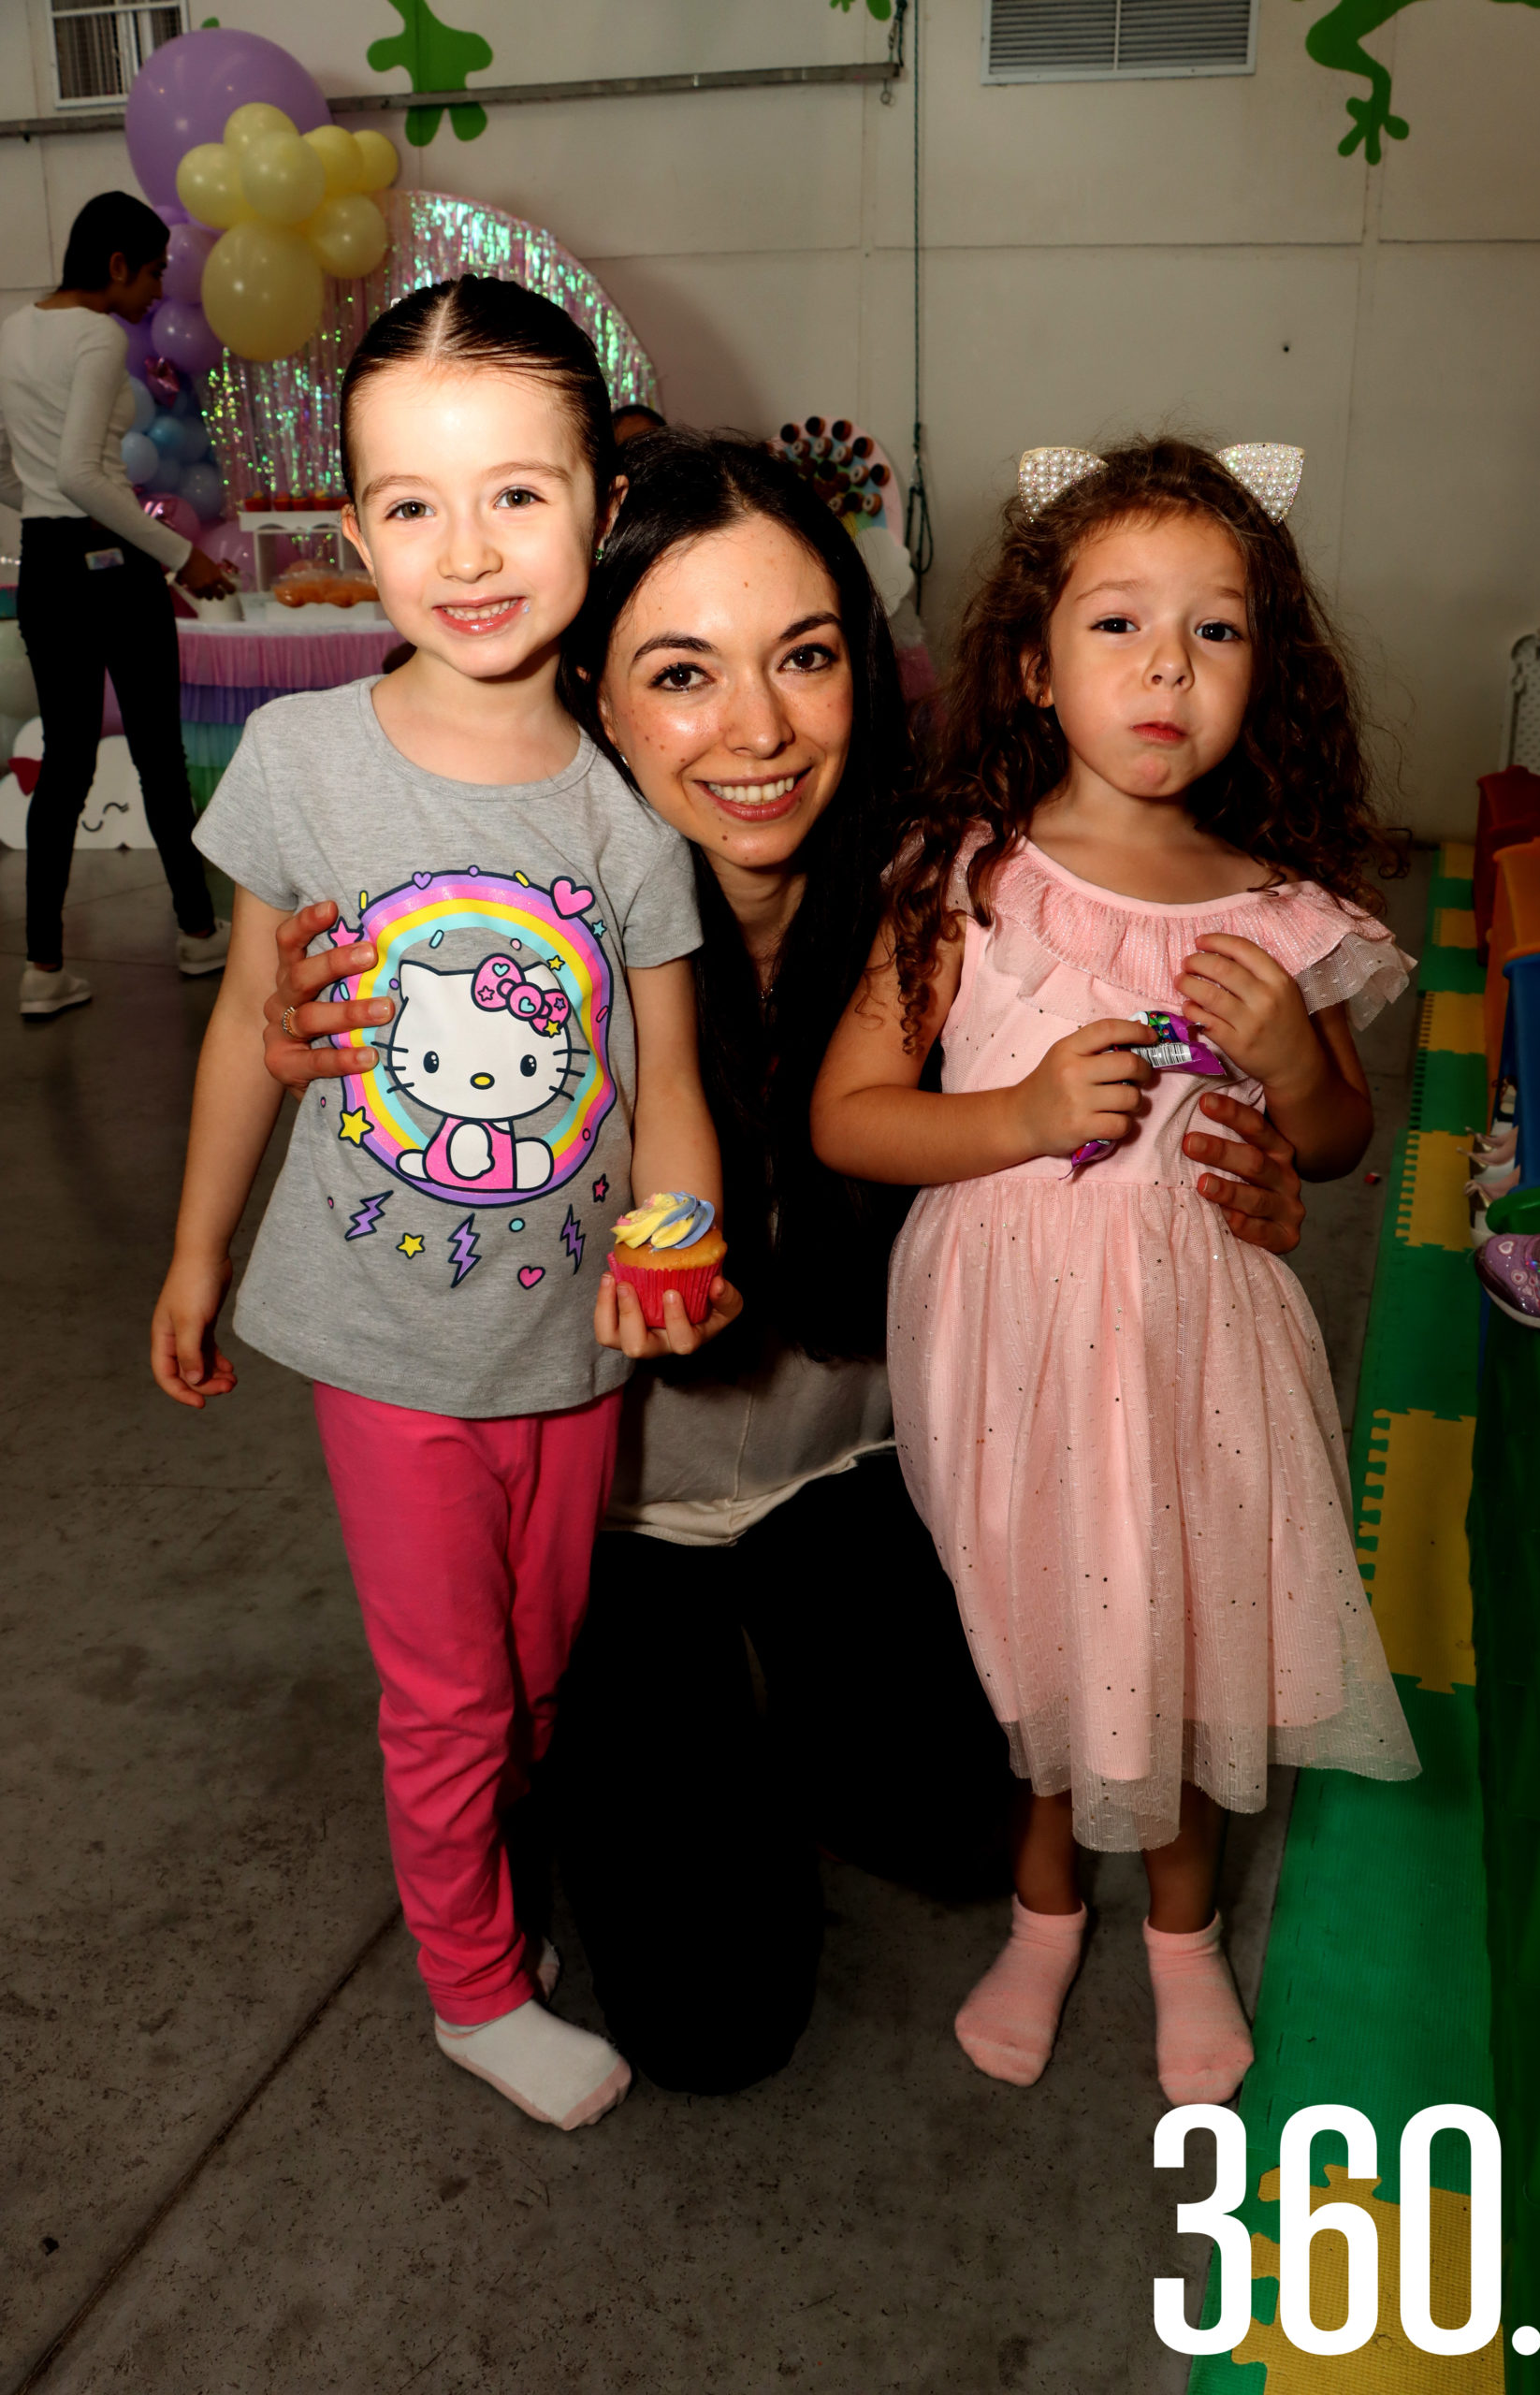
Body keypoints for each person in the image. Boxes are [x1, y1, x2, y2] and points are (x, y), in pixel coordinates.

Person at [258, 430, 1314, 2098]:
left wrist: (1246, 1168)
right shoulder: (502, 942)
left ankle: (791, 1696)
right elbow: (364, 1093)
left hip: (870, 1470)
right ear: (589, 687)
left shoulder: (958, 891)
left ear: (861, 673)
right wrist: (308, 1028)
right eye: (682, 673)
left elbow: (1178, 1021)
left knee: (984, 1827)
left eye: (803, 658)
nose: (755, 733)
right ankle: (561, 1760)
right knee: (709, 2025)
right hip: (613, 1519)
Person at [149, 277, 739, 2136]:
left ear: (599, 503)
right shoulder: (307, 767)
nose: (462, 550)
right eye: (408, 502)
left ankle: (494, 1850)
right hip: (381, 1336)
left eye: (515, 494)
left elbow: (665, 1093)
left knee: (536, 1664)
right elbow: (256, 1020)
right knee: (450, 1691)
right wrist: (194, 1249)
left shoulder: (635, 807)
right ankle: (470, 1983)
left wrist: (673, 1255)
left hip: (574, 1347)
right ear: (351, 526)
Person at [812, 435, 1421, 2109]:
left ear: (1263, 669)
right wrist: (1009, 1111)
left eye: (1215, 631)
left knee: (1191, 1639)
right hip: (1004, 1350)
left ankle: (1181, 1936)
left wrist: (1293, 1062)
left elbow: (1336, 1146)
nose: (1166, 666)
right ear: (1031, 659)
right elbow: (853, 1119)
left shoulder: (1281, 911)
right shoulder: (970, 879)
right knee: (1048, 1650)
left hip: (1196, 1347)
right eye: (1117, 625)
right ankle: (1039, 1909)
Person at [0, 191, 235, 1018]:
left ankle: (42, 966)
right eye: (154, 275)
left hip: (48, 566)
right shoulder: (99, 335)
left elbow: (20, 470)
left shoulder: (13, 330)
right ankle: (199, 931)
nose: (156, 294)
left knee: (64, 762)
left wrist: (34, 505)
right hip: (110, 563)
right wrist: (183, 557)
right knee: (157, 753)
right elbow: (80, 474)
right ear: (115, 266)